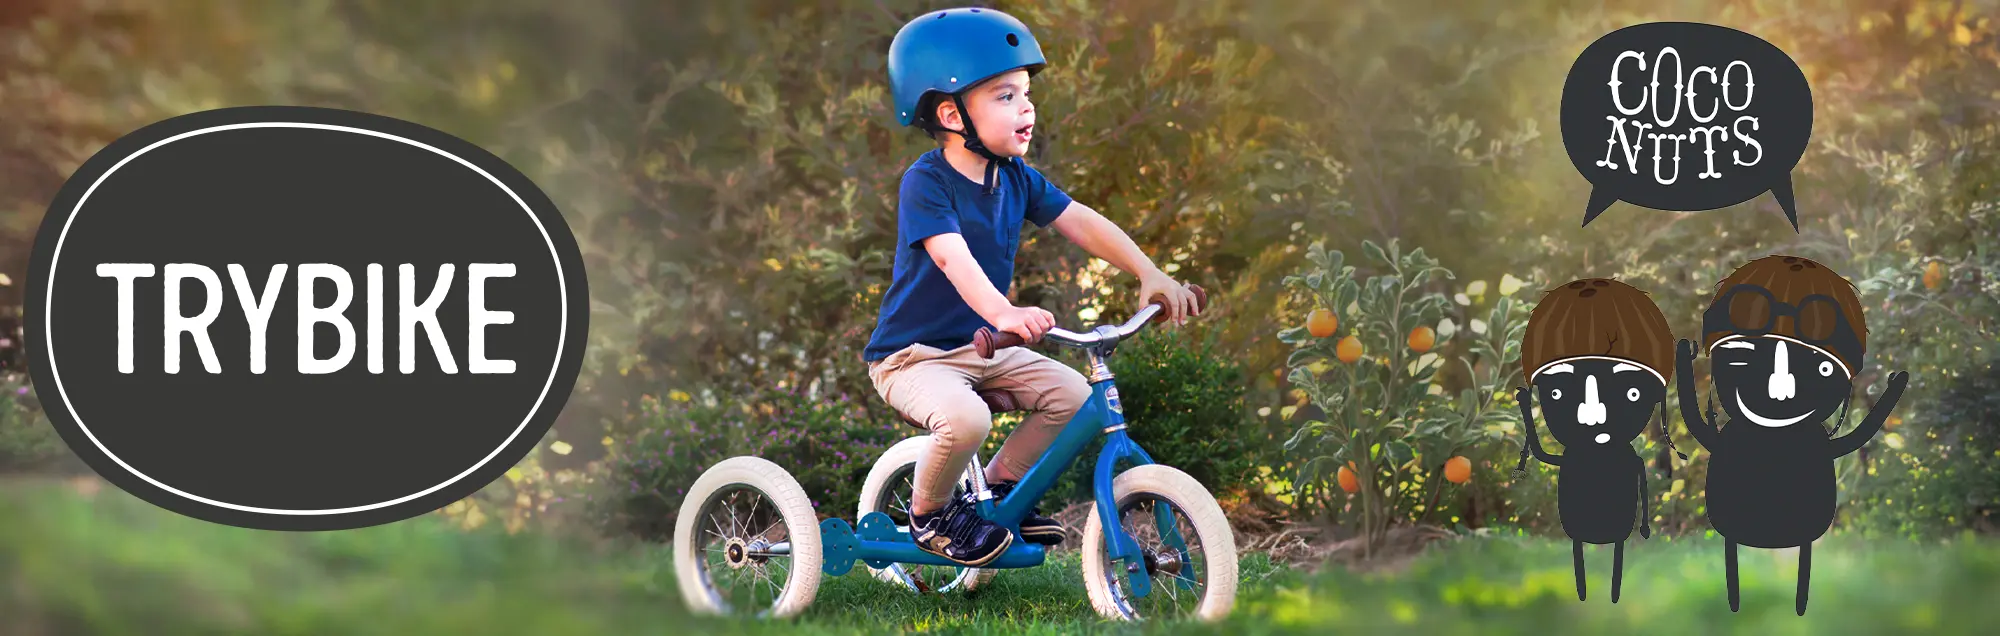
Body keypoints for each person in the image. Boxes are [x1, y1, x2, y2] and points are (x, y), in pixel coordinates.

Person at [865, 7, 1201, 567]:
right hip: (914, 357)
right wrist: (1004, 312)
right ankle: (930, 516)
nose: (1026, 108)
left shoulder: (1016, 176)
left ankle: (996, 494)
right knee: (966, 420)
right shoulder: (926, 182)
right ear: (950, 113)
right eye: (1004, 96)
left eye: (1025, 94)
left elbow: (1082, 222)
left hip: (984, 347)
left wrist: (1150, 272)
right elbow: (953, 259)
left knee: (1072, 397)